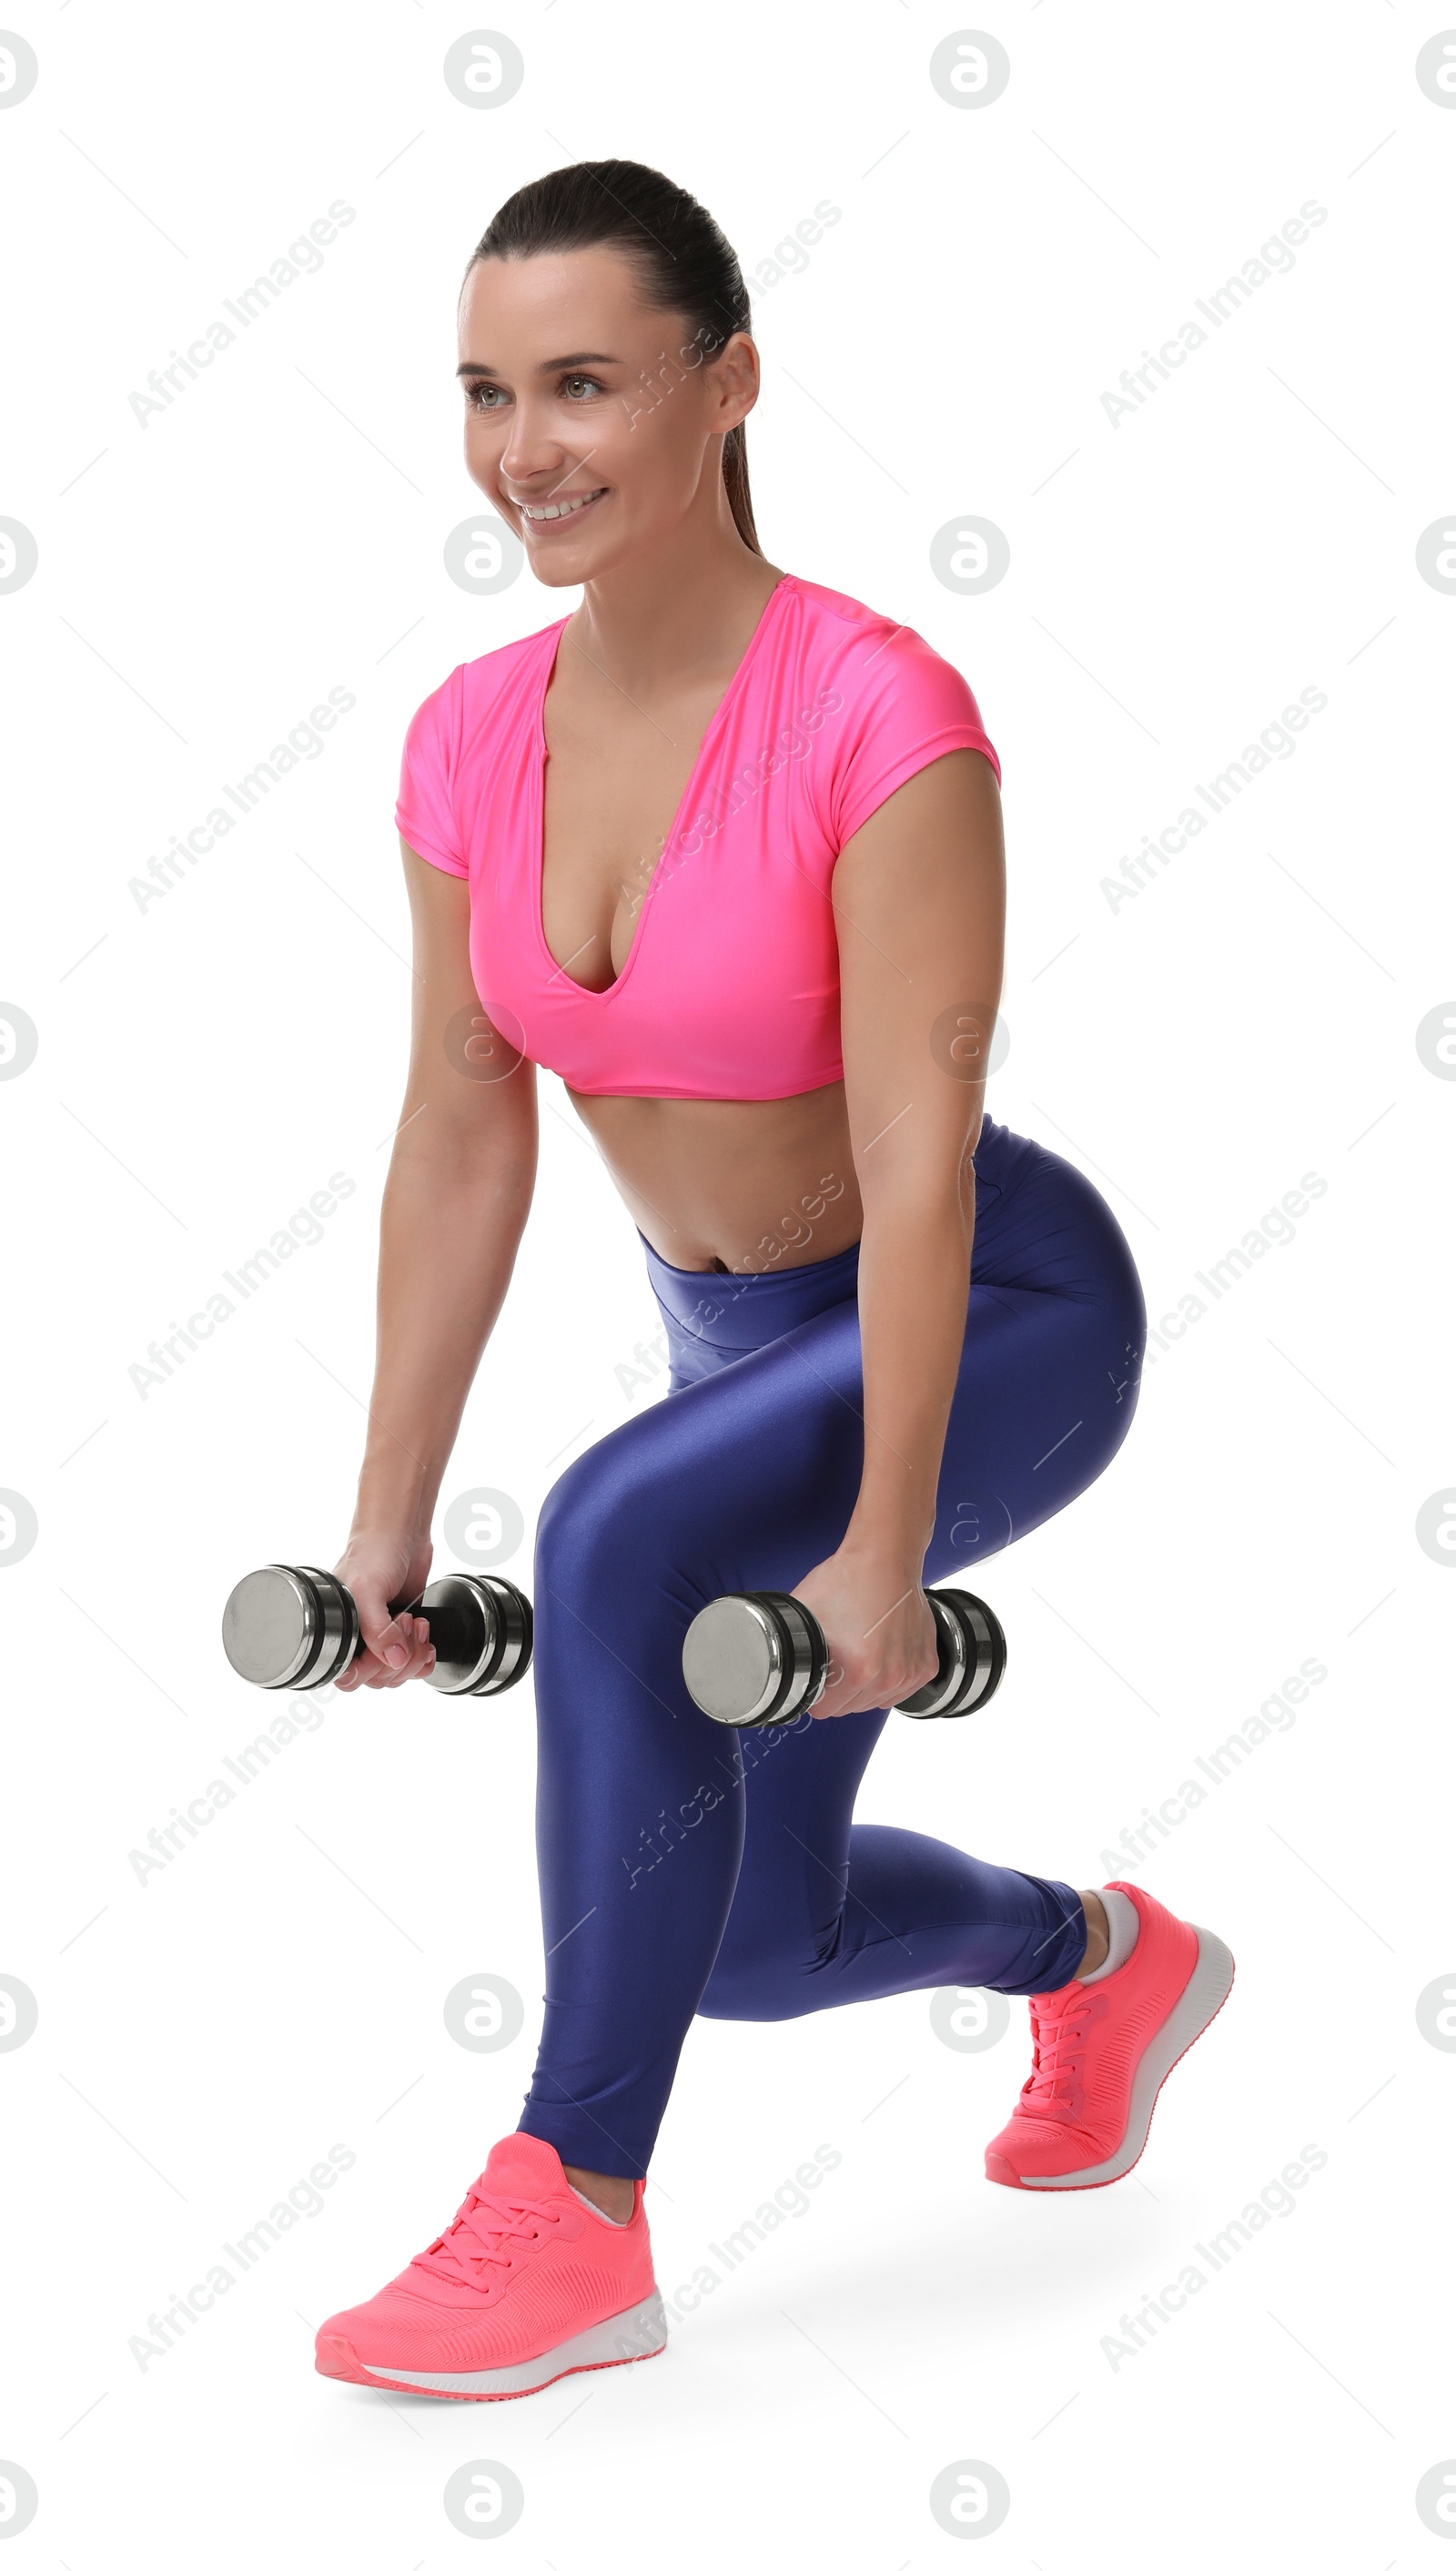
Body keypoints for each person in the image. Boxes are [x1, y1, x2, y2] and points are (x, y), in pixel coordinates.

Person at [312, 159, 1233, 2406]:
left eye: (587, 385)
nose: (526, 446)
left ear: (726, 387)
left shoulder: (875, 710)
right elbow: (460, 1130)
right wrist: (383, 1527)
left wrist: (882, 1552)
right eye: (487, 391)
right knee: (743, 1938)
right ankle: (1101, 1961)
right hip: (744, 1344)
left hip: (995, 1316)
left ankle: (573, 2209)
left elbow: (916, 1159)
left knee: (626, 1526)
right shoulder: (465, 737)